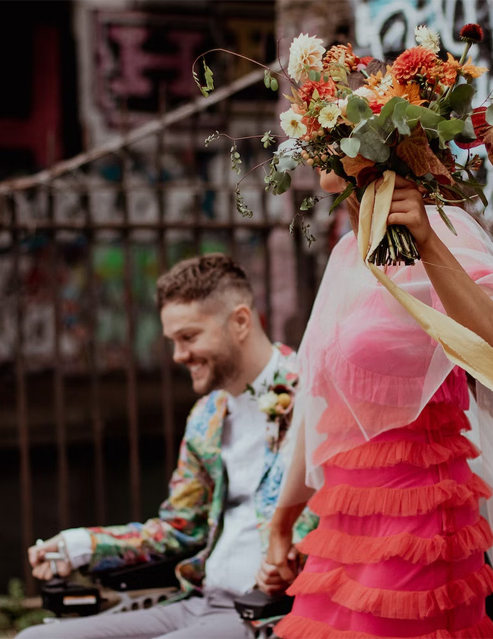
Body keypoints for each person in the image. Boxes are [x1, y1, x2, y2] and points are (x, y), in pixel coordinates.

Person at [264, 172, 493, 638]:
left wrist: (428, 242)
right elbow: (318, 406)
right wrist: (283, 522)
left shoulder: (444, 229)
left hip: (414, 516)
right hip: (342, 522)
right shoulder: (346, 252)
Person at [18, 253, 317, 639]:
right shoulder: (205, 418)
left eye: (189, 337)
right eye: (173, 341)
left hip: (268, 612)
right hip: (197, 602)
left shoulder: (312, 393)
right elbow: (180, 528)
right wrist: (81, 545)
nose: (178, 355)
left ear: (240, 321)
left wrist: (296, 557)